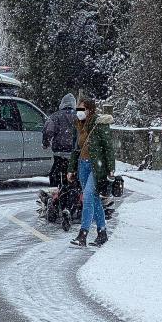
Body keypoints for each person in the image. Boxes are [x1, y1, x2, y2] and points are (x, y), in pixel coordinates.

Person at [68, 98, 115, 247]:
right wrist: (71, 168)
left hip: (96, 167)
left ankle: (83, 235)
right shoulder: (79, 125)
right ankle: (102, 233)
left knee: (88, 196)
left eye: (81, 109)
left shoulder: (99, 124)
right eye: (78, 109)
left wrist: (111, 168)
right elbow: (76, 149)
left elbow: (108, 147)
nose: (79, 112)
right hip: (83, 165)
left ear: (90, 110)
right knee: (94, 199)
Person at [42, 93, 77, 187]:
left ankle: (55, 191)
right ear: (74, 104)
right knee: (72, 172)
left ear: (62, 103)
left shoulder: (55, 116)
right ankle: (72, 190)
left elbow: (48, 131)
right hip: (74, 152)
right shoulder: (79, 116)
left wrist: (45, 143)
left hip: (59, 150)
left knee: (56, 171)